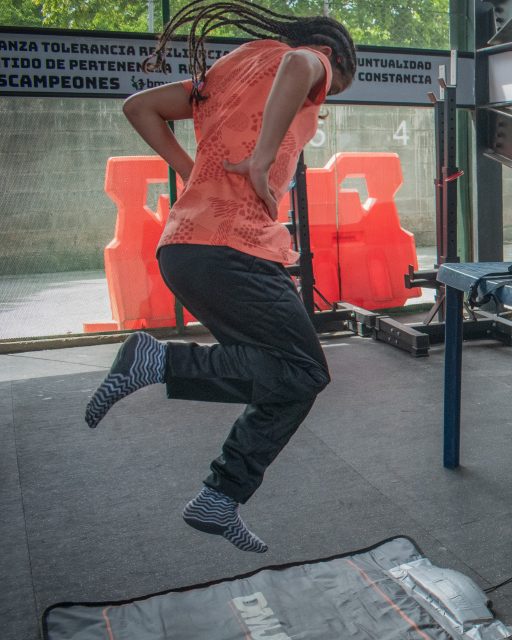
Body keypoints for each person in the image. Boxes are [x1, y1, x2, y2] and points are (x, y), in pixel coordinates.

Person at [84, 0, 357, 553]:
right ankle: (157, 360)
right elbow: (300, 68)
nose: (325, 100)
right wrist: (260, 159)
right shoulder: (310, 61)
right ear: (336, 56)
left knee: (284, 376)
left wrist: (191, 173)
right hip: (231, 247)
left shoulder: (226, 71)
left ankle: (219, 497)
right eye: (336, 89)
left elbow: (139, 107)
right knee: (304, 370)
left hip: (187, 247)